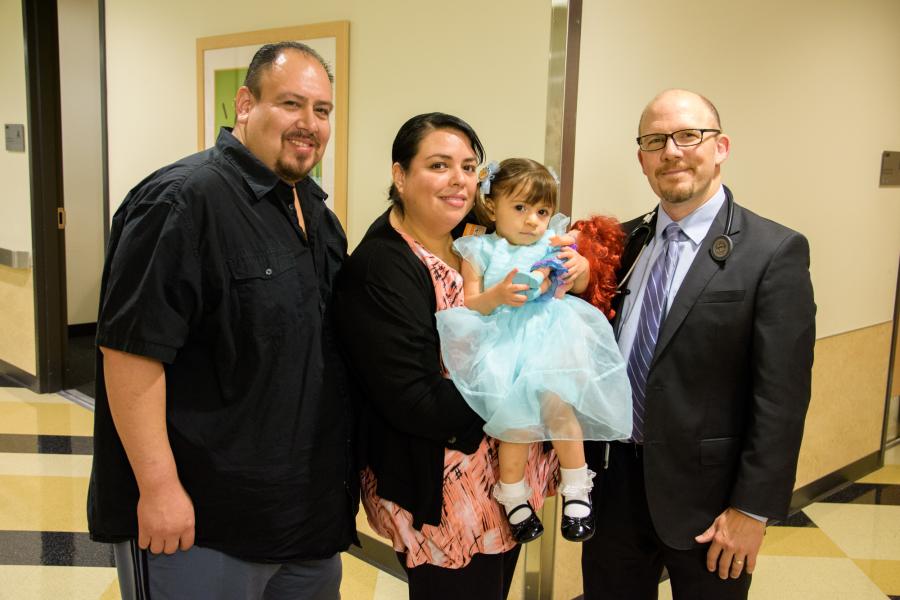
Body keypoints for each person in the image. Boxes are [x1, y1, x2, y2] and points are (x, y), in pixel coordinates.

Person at [88, 42, 356, 600]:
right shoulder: (180, 201)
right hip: (204, 525)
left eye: (322, 110)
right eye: (291, 104)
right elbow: (130, 354)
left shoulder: (316, 212)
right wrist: (159, 488)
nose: (309, 124)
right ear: (245, 103)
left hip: (303, 521)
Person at [579, 88, 816, 599]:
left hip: (711, 506)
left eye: (689, 135)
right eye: (655, 140)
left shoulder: (773, 252)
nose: (672, 151)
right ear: (641, 158)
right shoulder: (622, 243)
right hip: (612, 489)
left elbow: (782, 398)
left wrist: (752, 510)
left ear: (721, 147)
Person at [335, 114, 557, 600]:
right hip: (445, 491)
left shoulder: (484, 235)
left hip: (507, 480)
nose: (459, 179)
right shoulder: (380, 267)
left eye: (469, 166)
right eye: (439, 165)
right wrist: (523, 392)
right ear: (401, 176)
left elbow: (552, 260)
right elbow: (412, 399)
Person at [434, 158, 632, 544]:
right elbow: (470, 302)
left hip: (551, 337)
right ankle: (513, 495)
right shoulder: (479, 249)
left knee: (559, 408)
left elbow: (569, 282)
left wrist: (563, 274)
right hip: (506, 345)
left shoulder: (553, 243)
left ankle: (577, 488)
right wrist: (498, 294)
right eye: (520, 208)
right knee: (516, 426)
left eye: (542, 211)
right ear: (492, 206)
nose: (532, 221)